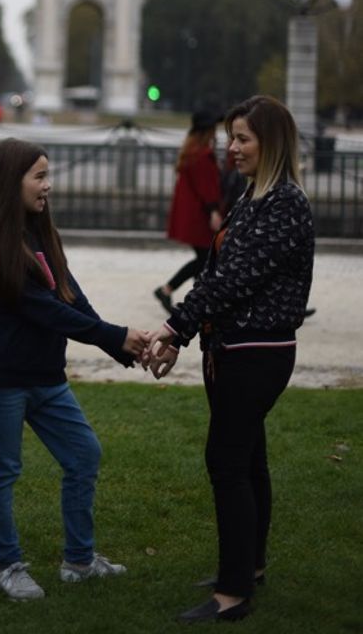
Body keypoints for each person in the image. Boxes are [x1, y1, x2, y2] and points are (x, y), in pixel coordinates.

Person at [144, 95, 314, 624]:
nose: (231, 148)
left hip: (255, 352)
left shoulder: (283, 203)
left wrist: (174, 327)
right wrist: (186, 331)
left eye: (242, 139)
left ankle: (234, 592)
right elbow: (221, 278)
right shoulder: (254, 198)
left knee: (227, 462)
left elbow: (230, 280)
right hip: (237, 350)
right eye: (230, 138)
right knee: (248, 460)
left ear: (271, 144)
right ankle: (250, 566)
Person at [0, 138, 150, 601]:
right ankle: (7, 567)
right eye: (40, 176)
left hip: (45, 376)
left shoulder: (41, 232)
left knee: (84, 454)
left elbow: (69, 296)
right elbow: (44, 309)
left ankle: (79, 562)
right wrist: (114, 334)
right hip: (3, 378)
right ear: (10, 183)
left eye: (49, 174)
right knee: (3, 470)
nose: (49, 185)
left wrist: (122, 345)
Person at [153, 110, 223, 314]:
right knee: (206, 258)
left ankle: (197, 296)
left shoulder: (190, 151)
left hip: (191, 213)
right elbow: (207, 187)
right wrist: (213, 211)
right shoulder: (203, 155)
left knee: (205, 259)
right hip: (200, 215)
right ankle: (168, 289)